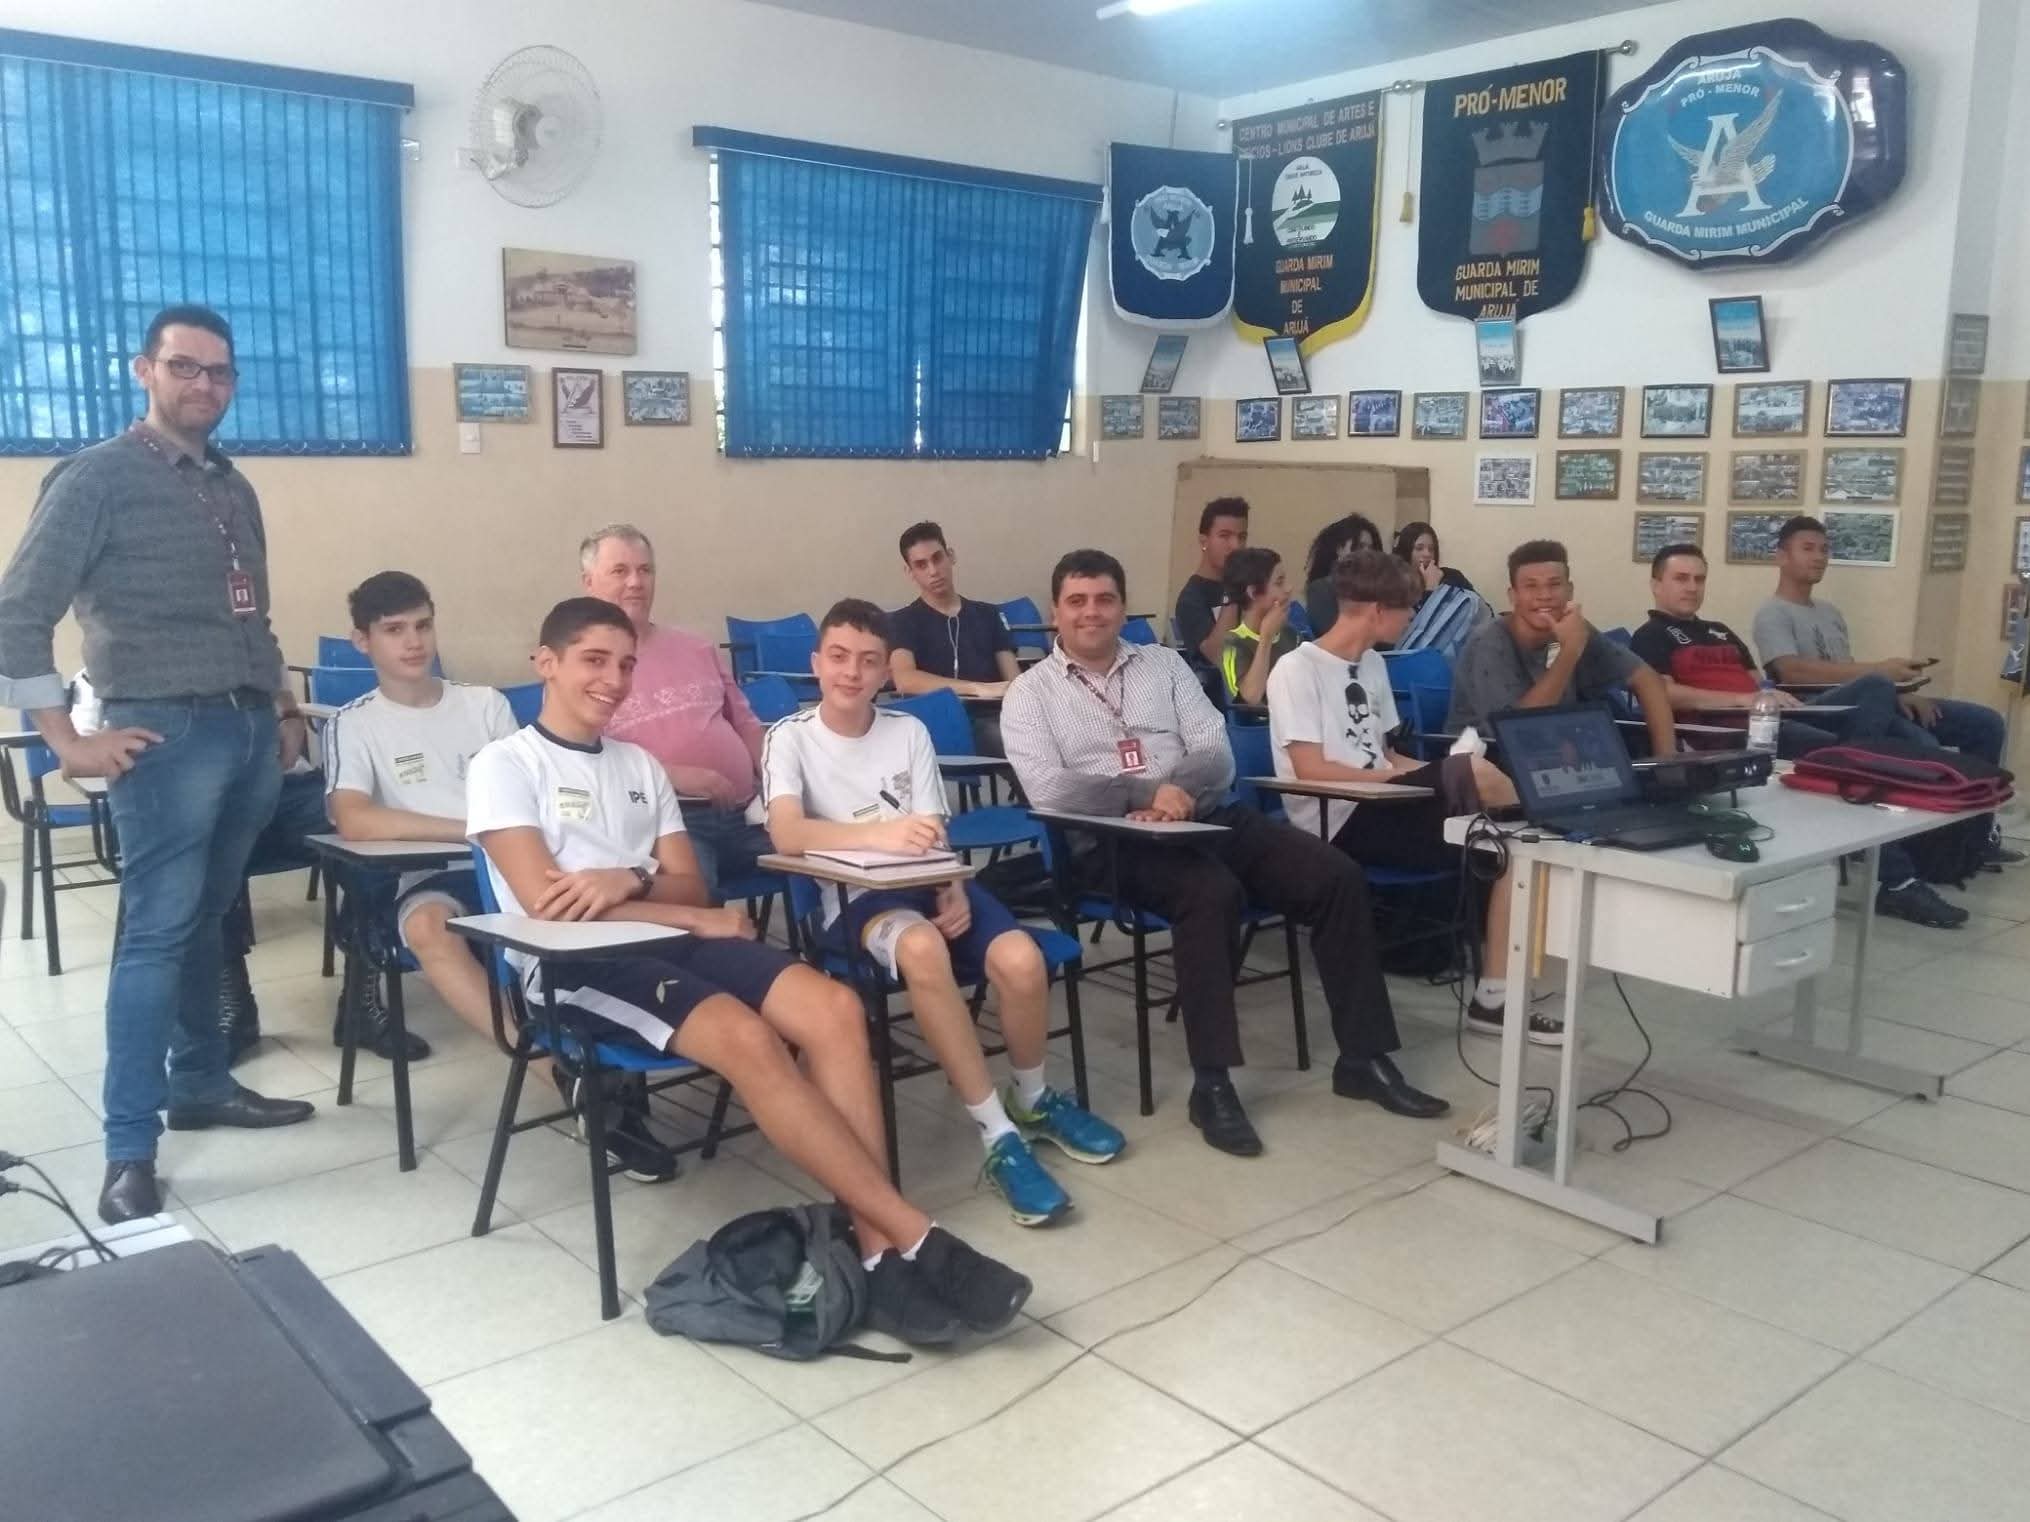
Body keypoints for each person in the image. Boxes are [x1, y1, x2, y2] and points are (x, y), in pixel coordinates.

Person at [468, 596, 1032, 1345]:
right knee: (748, 1038)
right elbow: (550, 907)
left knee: (834, 1009)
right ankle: (909, 1238)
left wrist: (629, 881)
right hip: (575, 965)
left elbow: (687, 883)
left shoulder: (638, 765)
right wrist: (681, 910)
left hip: (664, 935)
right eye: (593, 661)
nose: (614, 680)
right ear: (546, 663)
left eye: (626, 664)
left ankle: (873, 1250)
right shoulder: (505, 764)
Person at [0, 304, 315, 1225]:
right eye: (184, 366)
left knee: (209, 921)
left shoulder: (232, 485)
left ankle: (202, 1082)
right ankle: (128, 1149)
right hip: (164, 737)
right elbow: (18, 614)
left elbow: (252, 615)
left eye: (219, 371)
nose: (203, 384)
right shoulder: (96, 477)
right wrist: (65, 742)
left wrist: (282, 706)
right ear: (144, 370)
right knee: (154, 936)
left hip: (248, 732)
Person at [1001, 548, 1449, 1158]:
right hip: (1109, 840)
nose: (1092, 612)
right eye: (1076, 601)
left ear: (1123, 607)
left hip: (1205, 812)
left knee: (1334, 875)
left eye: (1105, 599)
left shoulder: (1163, 665)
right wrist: (1145, 793)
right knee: (1210, 893)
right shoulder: (1030, 693)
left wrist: (1178, 792)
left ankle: (1363, 1059)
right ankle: (1212, 1084)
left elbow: (1216, 750)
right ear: (1056, 612)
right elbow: (1051, 789)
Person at [763, 598, 1124, 1226]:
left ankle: (1033, 1100)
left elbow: (933, 829)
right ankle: (997, 1136)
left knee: (1021, 959)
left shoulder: (907, 731)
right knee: (923, 947)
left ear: (886, 672)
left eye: (868, 661)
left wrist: (952, 881)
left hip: (928, 880)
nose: (852, 672)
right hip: (853, 901)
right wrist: (880, 836)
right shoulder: (790, 737)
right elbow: (787, 834)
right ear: (816, 663)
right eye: (839, 657)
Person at [1267, 551, 1560, 1044]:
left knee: (1514, 844)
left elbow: (1386, 754)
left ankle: (1495, 998)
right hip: (1338, 816)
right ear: (1378, 610)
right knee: (1480, 779)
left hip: (1385, 804)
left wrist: (1422, 775)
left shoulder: (1372, 663)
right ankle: (1559, 815)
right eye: (1408, 608)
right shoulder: (1297, 669)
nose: (1412, 619)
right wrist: (1414, 780)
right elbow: (1310, 769)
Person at [1634, 542, 1973, 928]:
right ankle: (1897, 878)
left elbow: (1760, 683)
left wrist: (1769, 697)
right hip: (1734, 730)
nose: (1692, 587)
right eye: (1681, 579)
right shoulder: (1650, 636)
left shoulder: (1720, 631)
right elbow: (1664, 694)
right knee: (1864, 760)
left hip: (1782, 713)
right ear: (1656, 584)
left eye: (1699, 579)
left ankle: (1860, 766)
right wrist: (1744, 700)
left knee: (1877, 689)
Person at [323, 572, 547, 1067]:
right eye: (394, 630)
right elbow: (353, 819)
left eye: (423, 626)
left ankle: (596, 1047)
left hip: (513, 869)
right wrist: (471, 832)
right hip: (434, 876)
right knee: (428, 926)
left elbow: (530, 795)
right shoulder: (353, 723)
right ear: (362, 640)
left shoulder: (484, 704)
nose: (414, 642)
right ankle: (543, 1068)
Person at [73, 668, 332, 1065]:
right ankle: (231, 1005)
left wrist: (291, 717)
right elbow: (75, 762)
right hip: (195, 803)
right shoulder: (109, 670)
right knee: (202, 858)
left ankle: (364, 995)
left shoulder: (247, 652)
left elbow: (282, 699)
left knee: (356, 827)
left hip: (284, 788)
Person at [579, 523, 773, 902]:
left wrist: (780, 790)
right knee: (695, 897)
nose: (636, 582)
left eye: (645, 570)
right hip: (667, 825)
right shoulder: (582, 668)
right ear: (588, 582)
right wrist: (670, 776)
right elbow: (581, 761)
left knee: (822, 859)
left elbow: (748, 726)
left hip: (748, 815)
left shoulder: (696, 648)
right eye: (620, 571)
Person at [1447, 539, 1677, 759]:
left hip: (1558, 759)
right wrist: (1569, 652)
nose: (1544, 596)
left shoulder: (1575, 628)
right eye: (1531, 586)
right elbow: (1521, 733)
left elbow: (1647, 680)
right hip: (1485, 760)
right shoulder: (1489, 641)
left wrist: (1666, 761)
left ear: (1570, 590)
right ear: (1513, 596)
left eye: (1554, 584)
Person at [886, 521, 1020, 753]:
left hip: (993, 717)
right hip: (937, 723)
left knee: (1041, 738)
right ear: (910, 572)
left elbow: (1015, 681)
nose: (933, 571)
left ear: (951, 556)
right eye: (921, 565)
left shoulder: (988, 615)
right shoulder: (902, 621)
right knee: (1016, 744)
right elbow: (905, 679)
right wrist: (976, 688)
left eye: (937, 558)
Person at [1173, 496, 1250, 704]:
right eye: (1225, 536)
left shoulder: (1251, 587)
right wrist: (1232, 592)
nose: (1235, 546)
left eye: (1241, 537)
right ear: (1204, 541)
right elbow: (1218, 656)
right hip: (1220, 703)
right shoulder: (1192, 598)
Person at [1217, 546, 1299, 705]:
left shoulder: (1292, 635)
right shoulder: (1234, 644)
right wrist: (1266, 639)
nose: (1288, 588)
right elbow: (1250, 698)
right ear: (1253, 593)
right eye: (1279, 582)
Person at [1301, 513, 1386, 638]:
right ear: (1339, 550)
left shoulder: (1375, 589)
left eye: (1370, 548)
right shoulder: (1321, 589)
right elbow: (1333, 634)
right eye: (1360, 546)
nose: (1367, 554)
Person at [1391, 521, 1477, 602]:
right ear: (1406, 551)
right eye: (1419, 548)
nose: (1427, 554)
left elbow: (1480, 607)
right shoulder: (1396, 585)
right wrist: (1430, 589)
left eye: (1431, 549)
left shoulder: (1453, 577)